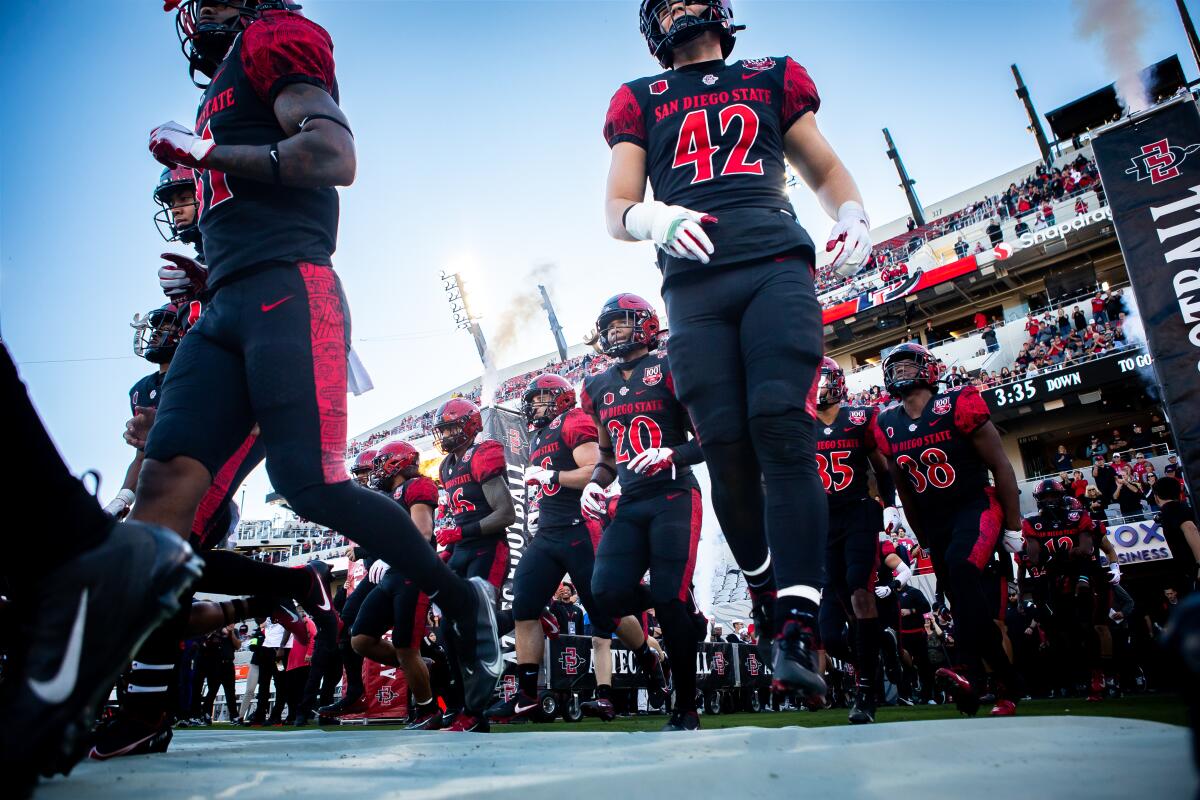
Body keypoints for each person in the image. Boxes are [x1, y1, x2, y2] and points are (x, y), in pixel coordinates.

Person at [142, 0, 501, 736]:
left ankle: (461, 598)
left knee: (310, 484)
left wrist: (205, 155)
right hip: (226, 307)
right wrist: (207, 278)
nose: (199, 17)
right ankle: (143, 704)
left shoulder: (275, 39)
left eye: (212, 2)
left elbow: (331, 160)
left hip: (290, 289)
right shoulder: (220, 89)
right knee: (162, 484)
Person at [603, 0, 872, 697]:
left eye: (694, 0)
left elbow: (824, 166)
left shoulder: (772, 74)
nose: (685, 11)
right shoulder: (638, 98)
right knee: (724, 445)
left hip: (773, 260)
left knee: (781, 426)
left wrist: (851, 211)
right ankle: (760, 588)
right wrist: (650, 215)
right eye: (670, 5)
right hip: (691, 281)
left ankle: (796, 623)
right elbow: (616, 206)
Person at [488, 374, 658, 724]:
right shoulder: (538, 434)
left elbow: (596, 470)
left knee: (606, 614)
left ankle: (647, 656)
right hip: (548, 533)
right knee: (524, 606)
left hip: (581, 529)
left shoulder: (573, 420)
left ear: (559, 398)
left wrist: (552, 477)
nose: (533, 406)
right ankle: (528, 696)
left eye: (539, 399)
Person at [578, 294, 707, 731]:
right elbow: (608, 457)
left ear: (647, 325)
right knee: (606, 592)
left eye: (623, 323)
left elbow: (709, 437)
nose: (614, 331)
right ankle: (677, 597)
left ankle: (685, 705)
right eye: (609, 325)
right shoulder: (596, 386)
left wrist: (671, 452)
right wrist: (594, 485)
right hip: (631, 500)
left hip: (673, 495)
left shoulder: (671, 366)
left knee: (669, 602)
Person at [876, 342, 1022, 716]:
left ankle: (974, 673)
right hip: (935, 517)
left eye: (908, 365)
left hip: (975, 505)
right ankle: (990, 681)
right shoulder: (887, 423)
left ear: (928, 368)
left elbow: (1002, 466)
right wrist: (922, 535)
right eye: (895, 367)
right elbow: (904, 488)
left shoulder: (959, 403)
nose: (901, 372)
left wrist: (1014, 524)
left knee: (960, 568)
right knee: (959, 598)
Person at [813, 357, 898, 723]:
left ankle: (865, 691)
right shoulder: (800, 425)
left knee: (860, 590)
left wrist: (891, 505)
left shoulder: (862, 417)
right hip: (824, 520)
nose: (815, 387)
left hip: (860, 511)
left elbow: (882, 466)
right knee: (843, 604)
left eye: (821, 380)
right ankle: (874, 657)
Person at [433, 399, 517, 732]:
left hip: (488, 549)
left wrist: (462, 531)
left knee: (475, 628)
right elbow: (458, 513)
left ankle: (476, 713)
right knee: (447, 632)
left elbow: (506, 514)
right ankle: (460, 706)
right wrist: (451, 542)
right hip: (463, 550)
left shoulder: (482, 454)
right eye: (444, 429)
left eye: (452, 427)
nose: (447, 435)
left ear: (469, 425)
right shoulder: (445, 466)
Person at [349, 440, 442, 730]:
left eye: (381, 463)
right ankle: (418, 668)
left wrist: (390, 557)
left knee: (405, 646)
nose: (376, 471)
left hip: (412, 573)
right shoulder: (390, 495)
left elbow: (423, 531)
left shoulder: (418, 486)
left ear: (397, 463)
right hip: (392, 575)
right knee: (361, 639)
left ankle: (428, 711)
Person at [1020, 481, 1115, 701]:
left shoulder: (1077, 516)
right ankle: (1076, 678)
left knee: (1088, 626)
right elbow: (1033, 558)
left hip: (1080, 577)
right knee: (1061, 632)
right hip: (1053, 581)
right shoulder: (1033, 522)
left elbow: (1086, 549)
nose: (1050, 500)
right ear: (1039, 500)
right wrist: (1066, 554)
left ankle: (1097, 676)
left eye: (1054, 495)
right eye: (1046, 497)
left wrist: (1055, 556)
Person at [1153, 477, 1200, 596]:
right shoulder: (1182, 508)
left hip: (1194, 569)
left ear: (1156, 497)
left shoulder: (1172, 509)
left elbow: (1190, 529)